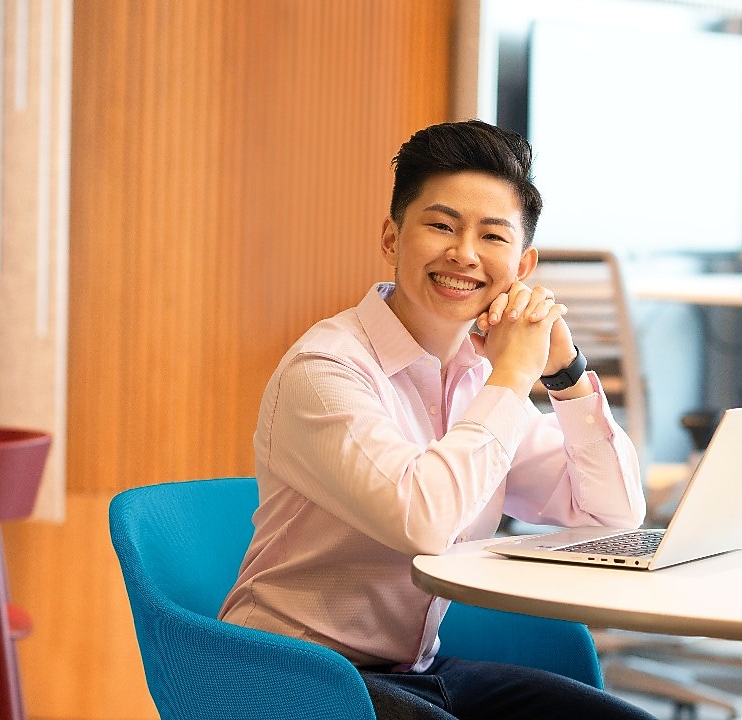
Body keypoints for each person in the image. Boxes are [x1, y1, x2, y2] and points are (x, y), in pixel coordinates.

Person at [221, 119, 654, 720]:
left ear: (523, 265)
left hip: (411, 672)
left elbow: (612, 514)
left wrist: (565, 375)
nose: (465, 254)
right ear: (392, 239)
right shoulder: (325, 370)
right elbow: (424, 519)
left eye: (492, 236)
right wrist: (513, 375)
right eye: (441, 226)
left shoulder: (481, 376)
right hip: (293, 675)